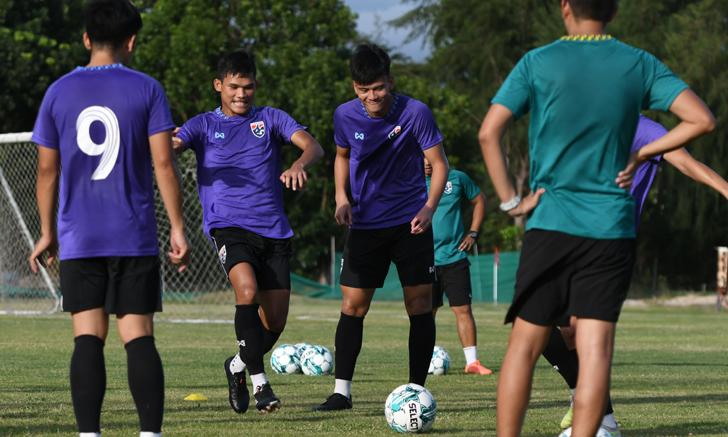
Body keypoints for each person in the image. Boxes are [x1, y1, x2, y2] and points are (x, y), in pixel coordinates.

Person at [478, 1, 716, 436]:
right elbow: (701, 119)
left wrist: (513, 203)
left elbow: (488, 132)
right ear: (616, 9)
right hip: (611, 231)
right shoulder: (638, 63)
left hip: (550, 223)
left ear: (565, 7)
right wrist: (644, 151)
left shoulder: (538, 61)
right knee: (595, 353)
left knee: (524, 349)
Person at [28, 1, 193, 436]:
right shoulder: (147, 89)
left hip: (80, 238)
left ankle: (88, 434)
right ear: (132, 41)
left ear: (86, 38)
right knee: (138, 336)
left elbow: (47, 170)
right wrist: (178, 227)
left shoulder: (57, 91)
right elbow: (163, 165)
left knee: (87, 337)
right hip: (133, 236)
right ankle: (150, 434)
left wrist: (46, 232)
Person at [543, 114, 728, 436]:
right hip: (563, 231)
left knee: (581, 330)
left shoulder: (646, 129)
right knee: (548, 327)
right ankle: (587, 399)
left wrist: (726, 189)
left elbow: (685, 162)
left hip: (606, 240)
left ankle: (600, 416)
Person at [173, 49, 324, 415]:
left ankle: (237, 366)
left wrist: (298, 164)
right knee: (247, 291)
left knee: (274, 322)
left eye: (249, 87)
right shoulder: (202, 125)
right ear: (218, 86)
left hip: (273, 231)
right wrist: (164, 144)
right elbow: (172, 147)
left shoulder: (270, 119)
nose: (242, 94)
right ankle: (261, 385)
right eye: (234, 87)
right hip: (227, 227)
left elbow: (313, 146)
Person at [312, 43, 449, 411]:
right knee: (353, 306)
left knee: (419, 305)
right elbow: (341, 157)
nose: (372, 96)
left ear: (390, 81)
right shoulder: (344, 116)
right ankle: (341, 392)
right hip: (365, 225)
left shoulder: (416, 112)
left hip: (410, 224)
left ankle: (417, 394)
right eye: (363, 89)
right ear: (354, 87)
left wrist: (429, 207)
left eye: (378, 88)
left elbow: (440, 164)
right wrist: (342, 198)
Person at [424, 158, 492, 375]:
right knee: (426, 312)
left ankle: (472, 363)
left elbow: (480, 201)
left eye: (429, 157)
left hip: (455, 257)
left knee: (463, 310)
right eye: (421, 158)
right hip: (424, 259)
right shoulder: (409, 180)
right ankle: (422, 361)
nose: (426, 162)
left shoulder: (457, 178)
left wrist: (473, 233)